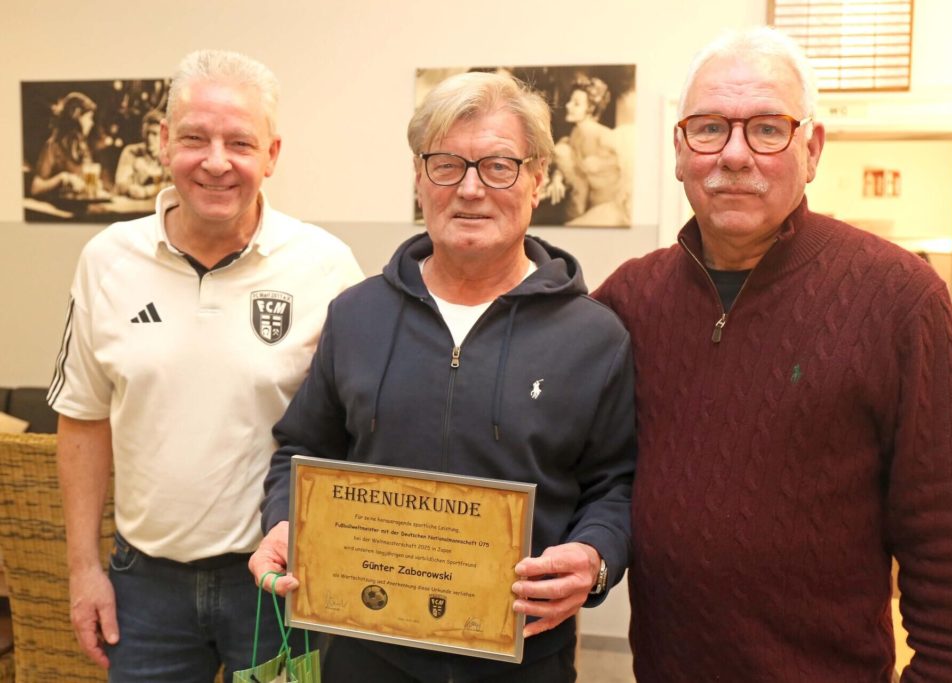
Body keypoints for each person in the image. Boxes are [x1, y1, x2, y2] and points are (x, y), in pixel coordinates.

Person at [594, 27, 952, 682]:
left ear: (812, 147)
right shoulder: (629, 300)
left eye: (768, 129)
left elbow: (944, 535)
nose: (735, 154)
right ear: (678, 149)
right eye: (710, 127)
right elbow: (591, 477)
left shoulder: (901, 299)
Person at [249, 70, 636, 683]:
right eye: (447, 165)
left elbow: (615, 484)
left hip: (523, 657)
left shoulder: (595, 337)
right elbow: (302, 447)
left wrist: (595, 559)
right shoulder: (356, 315)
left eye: (499, 166)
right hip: (364, 649)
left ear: (538, 179)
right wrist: (283, 520)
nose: (472, 189)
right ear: (419, 180)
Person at [47, 49, 364, 682]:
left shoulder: (325, 267)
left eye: (240, 143)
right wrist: (84, 570)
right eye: (195, 138)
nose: (216, 161)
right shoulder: (106, 259)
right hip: (145, 588)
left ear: (272, 154)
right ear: (164, 143)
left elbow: (360, 427)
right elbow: (82, 421)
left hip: (277, 586)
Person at [548, 75, 629, 226]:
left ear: (590, 109)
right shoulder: (576, 132)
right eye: (571, 101)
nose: (568, 106)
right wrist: (557, 178)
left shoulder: (604, 137)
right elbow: (566, 156)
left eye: (576, 103)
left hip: (610, 211)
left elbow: (629, 170)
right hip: (588, 207)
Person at [30, 91, 98, 199]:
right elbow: (35, 188)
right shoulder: (53, 146)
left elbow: (86, 185)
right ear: (77, 116)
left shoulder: (83, 147)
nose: (92, 123)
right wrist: (62, 178)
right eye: (89, 117)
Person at [114, 109, 170, 199]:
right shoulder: (131, 152)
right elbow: (120, 184)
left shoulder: (171, 155)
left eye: (154, 134)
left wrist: (147, 191)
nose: (149, 139)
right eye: (147, 133)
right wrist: (129, 189)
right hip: (133, 209)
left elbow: (176, 186)